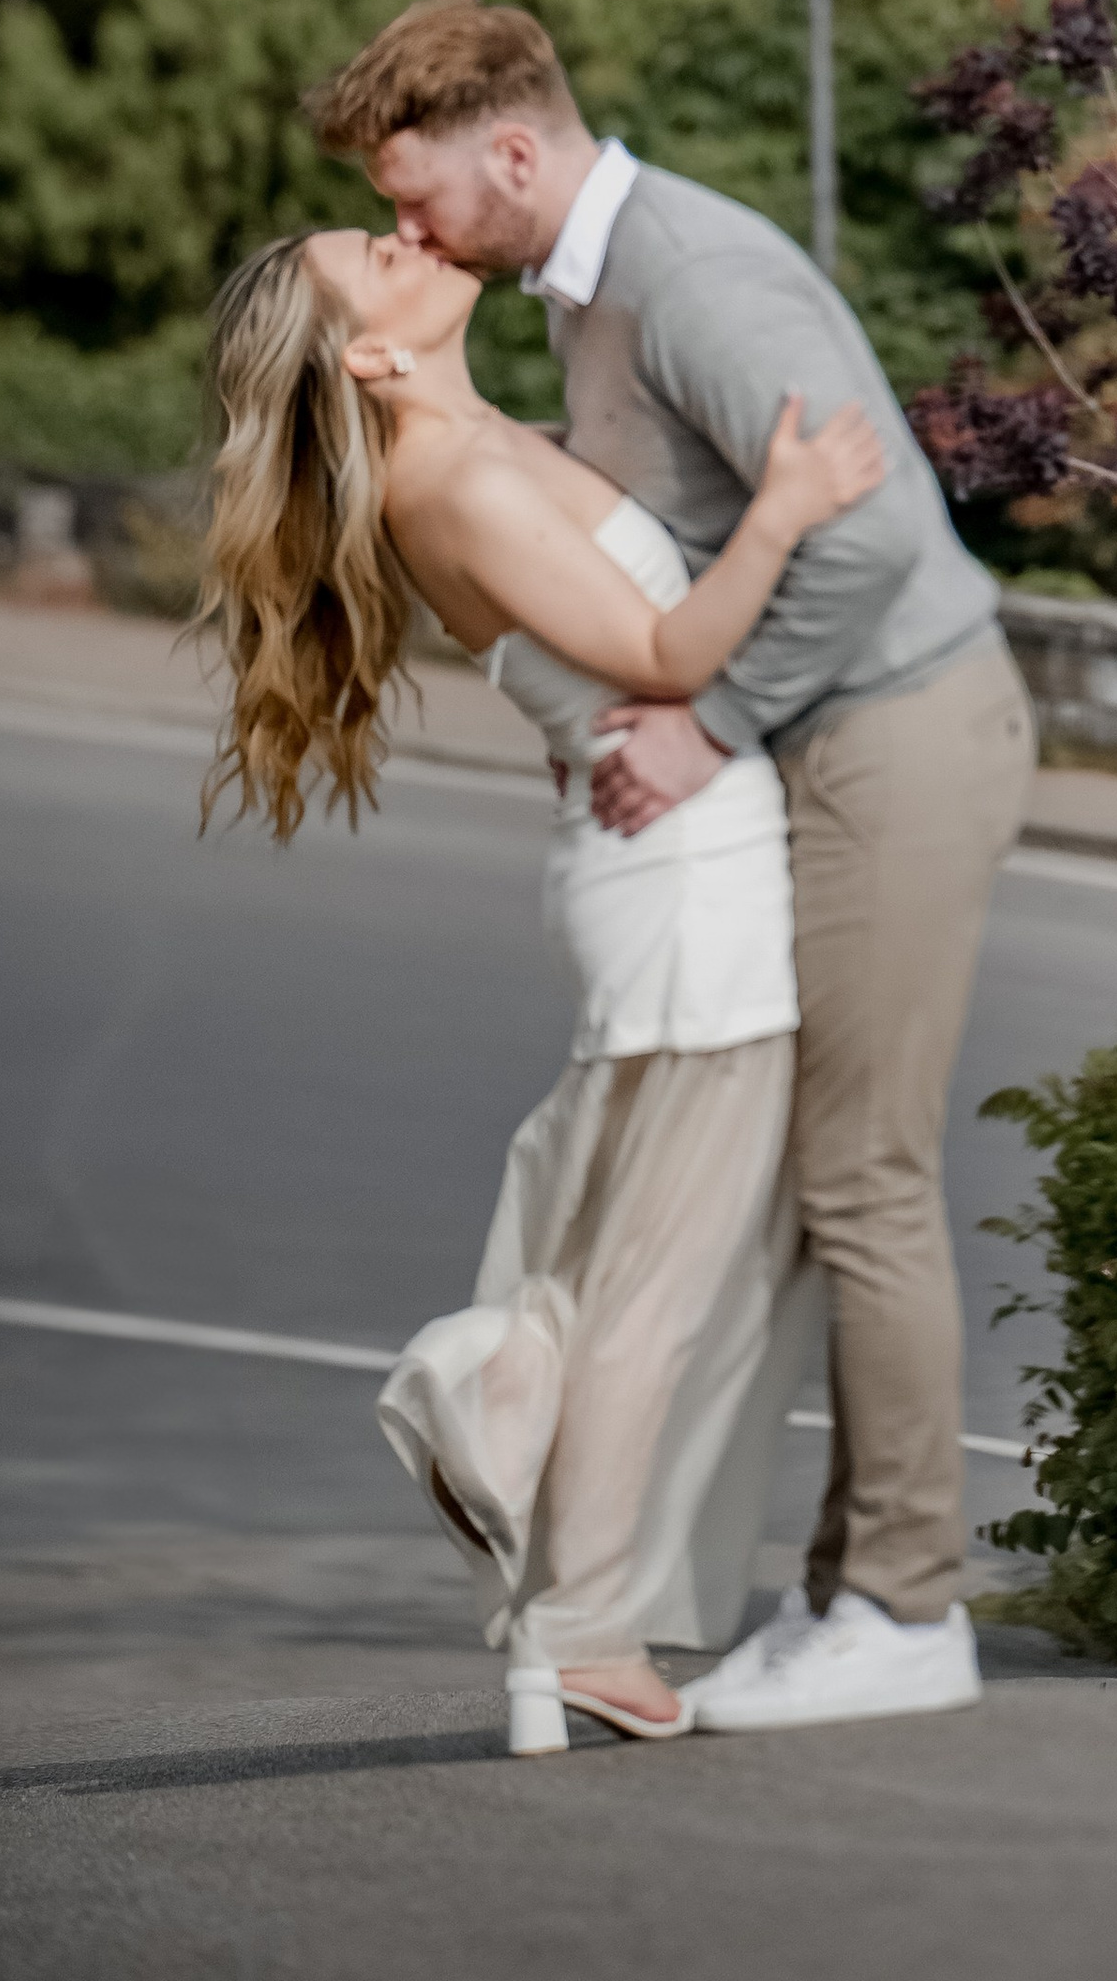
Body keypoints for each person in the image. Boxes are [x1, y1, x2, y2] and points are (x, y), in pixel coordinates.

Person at [301, 0, 1039, 1734]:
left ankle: (903, 1609)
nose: (409, 234)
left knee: (857, 1181)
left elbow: (858, 537)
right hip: (818, 752)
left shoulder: (691, 279)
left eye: (417, 202)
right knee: (796, 1190)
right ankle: (845, 1594)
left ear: (512, 151)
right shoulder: (579, 307)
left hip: (896, 737)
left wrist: (714, 725)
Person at [198, 220, 887, 1753]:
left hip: (668, 879)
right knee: (663, 1278)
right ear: (371, 355)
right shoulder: (456, 481)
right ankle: (576, 1623)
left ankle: (516, 1462)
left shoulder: (481, 446)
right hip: (688, 898)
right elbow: (664, 649)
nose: (404, 234)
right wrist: (782, 513)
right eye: (370, 255)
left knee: (641, 1250)